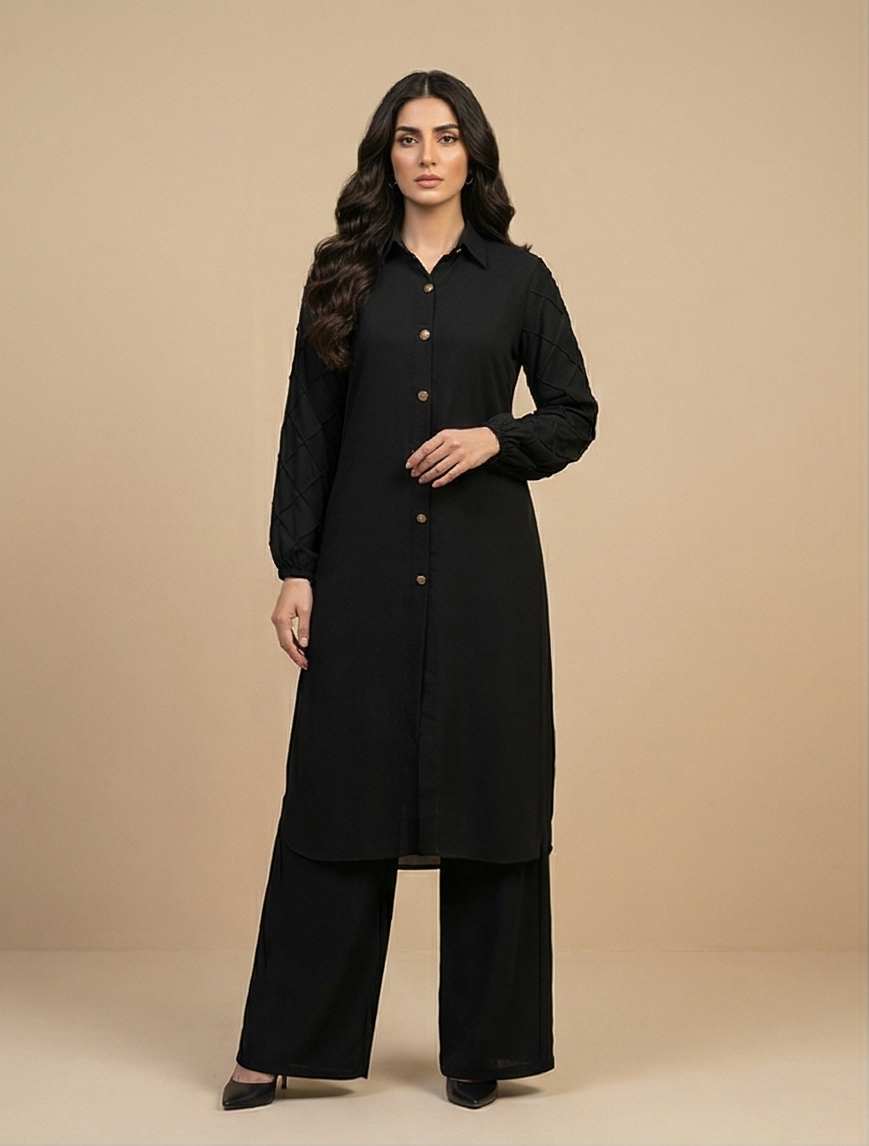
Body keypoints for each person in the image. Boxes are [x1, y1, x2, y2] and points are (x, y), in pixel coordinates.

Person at [222, 69, 598, 1112]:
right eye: (406, 137)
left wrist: (494, 438)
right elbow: (308, 428)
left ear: (473, 153)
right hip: (364, 568)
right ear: (384, 156)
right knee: (337, 790)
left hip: (486, 580)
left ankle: (486, 1047)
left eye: (444, 136)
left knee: (492, 793)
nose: (426, 155)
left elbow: (573, 411)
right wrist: (296, 566)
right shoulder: (342, 275)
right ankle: (281, 1043)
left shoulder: (519, 280)